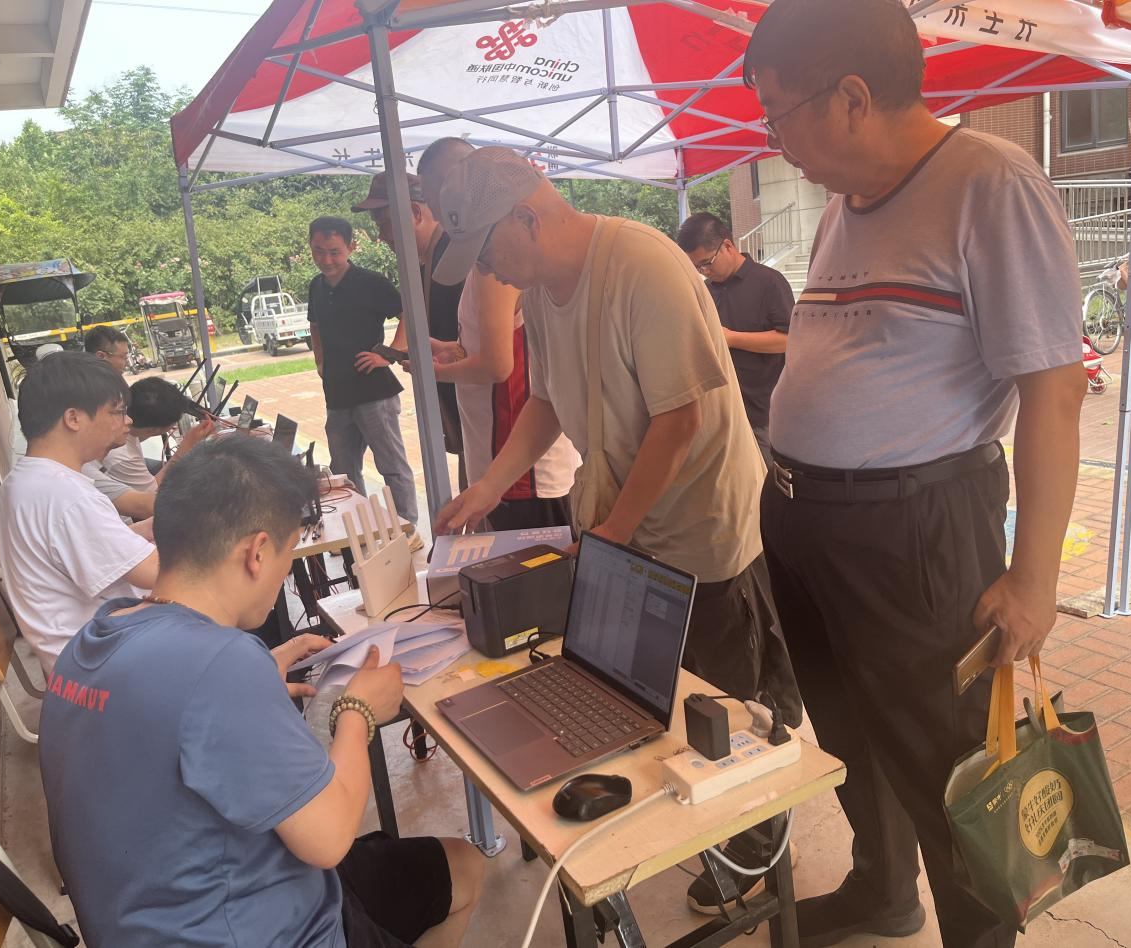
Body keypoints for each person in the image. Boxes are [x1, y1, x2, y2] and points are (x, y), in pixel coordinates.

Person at [745, 2, 1086, 946]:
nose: (774, 139)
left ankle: (980, 935)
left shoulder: (990, 184)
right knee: (849, 732)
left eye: (779, 114)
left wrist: (1035, 580)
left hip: (914, 528)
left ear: (851, 97)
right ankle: (883, 891)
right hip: (807, 521)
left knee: (949, 762)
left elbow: (1054, 390)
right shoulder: (840, 210)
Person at [39, 436, 484, 947]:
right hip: (264, 930)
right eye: (289, 551)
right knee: (464, 870)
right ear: (257, 552)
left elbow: (165, 720)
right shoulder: (219, 666)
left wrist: (248, 686)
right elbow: (331, 838)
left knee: (459, 864)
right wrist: (358, 712)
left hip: (150, 917)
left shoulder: (95, 638)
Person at [432, 145, 801, 728]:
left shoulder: (641, 264)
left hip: (701, 533)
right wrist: (489, 487)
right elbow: (546, 400)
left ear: (525, 219)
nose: (485, 272)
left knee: (725, 722)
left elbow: (679, 421)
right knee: (649, 709)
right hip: (629, 528)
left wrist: (612, 538)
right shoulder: (539, 292)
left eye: (483, 253)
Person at [415, 137, 578, 531]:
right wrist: (455, 351)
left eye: (435, 199)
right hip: (508, 467)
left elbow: (498, 364)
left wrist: (434, 372)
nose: (437, 212)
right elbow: (521, 366)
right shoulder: (498, 261)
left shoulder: (503, 261)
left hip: (525, 473)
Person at [0, 352, 158, 677]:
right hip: (102, 661)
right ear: (73, 418)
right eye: (117, 411)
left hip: (79, 650)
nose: (127, 421)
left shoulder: (27, 479)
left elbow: (84, 547)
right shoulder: (65, 495)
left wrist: (151, 528)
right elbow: (157, 574)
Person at [306, 216, 421, 543]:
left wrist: (390, 354)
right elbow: (315, 325)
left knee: (392, 467)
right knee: (342, 474)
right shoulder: (316, 286)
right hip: (337, 395)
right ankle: (356, 535)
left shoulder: (371, 282)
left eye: (334, 251)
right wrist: (320, 362)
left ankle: (407, 531)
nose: (326, 259)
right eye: (318, 251)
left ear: (351, 247)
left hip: (375, 393)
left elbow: (409, 313)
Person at [352, 172, 467, 484]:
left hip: (488, 419)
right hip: (463, 419)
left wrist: (445, 358)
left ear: (416, 212)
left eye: (385, 224)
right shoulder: (423, 263)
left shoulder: (457, 258)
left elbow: (490, 350)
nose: (381, 236)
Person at [676, 212, 792, 466]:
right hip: (723, 412)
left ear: (727, 246)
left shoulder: (769, 282)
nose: (704, 271)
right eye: (697, 268)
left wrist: (731, 338)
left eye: (706, 263)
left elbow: (788, 340)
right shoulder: (706, 291)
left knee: (768, 481)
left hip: (764, 413)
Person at [82, 376, 215, 520]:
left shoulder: (125, 432)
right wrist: (184, 450)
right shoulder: (121, 457)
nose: (128, 420)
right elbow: (151, 503)